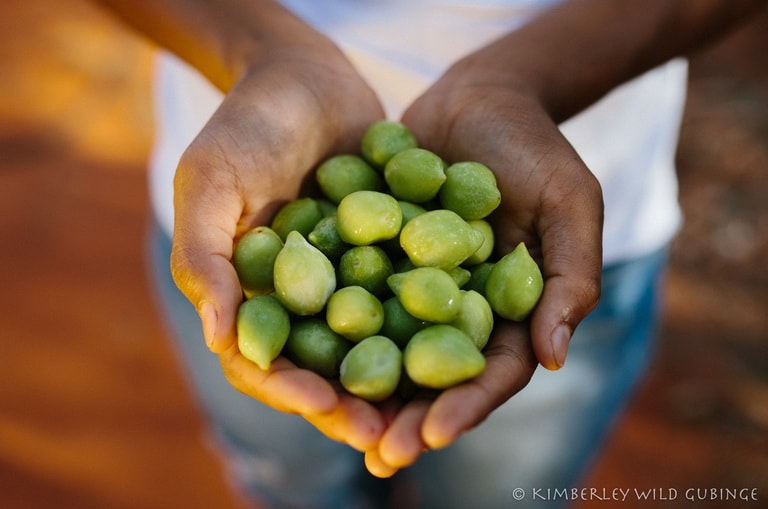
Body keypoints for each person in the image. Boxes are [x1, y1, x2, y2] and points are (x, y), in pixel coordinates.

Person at [94, 1, 766, 507]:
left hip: (561, 211)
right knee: (290, 482)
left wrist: (525, 78)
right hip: (240, 214)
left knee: (503, 493)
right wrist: (260, 50)